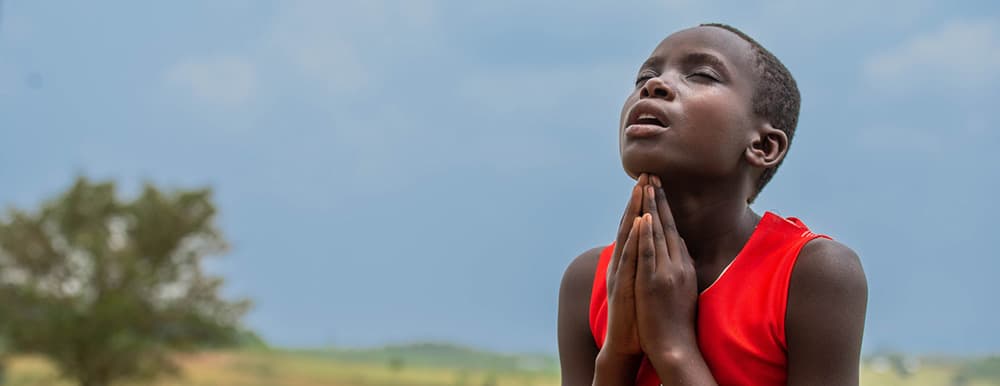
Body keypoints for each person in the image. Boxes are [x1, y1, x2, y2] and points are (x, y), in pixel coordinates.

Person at [557, 24, 868, 386]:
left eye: (702, 75)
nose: (653, 85)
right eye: (646, 74)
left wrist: (672, 347)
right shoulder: (588, 280)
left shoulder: (812, 274)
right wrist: (618, 353)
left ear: (763, 146)